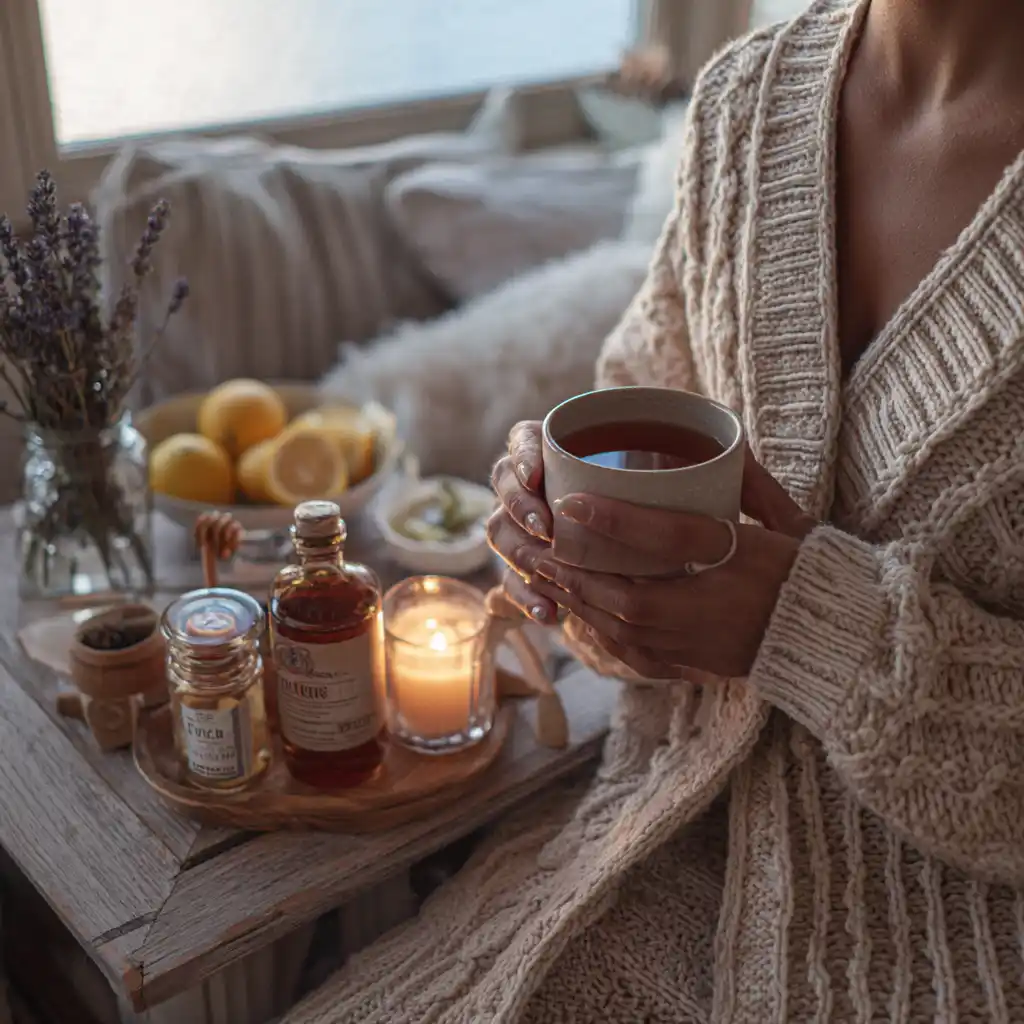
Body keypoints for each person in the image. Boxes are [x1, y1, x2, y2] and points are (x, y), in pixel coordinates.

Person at [288, 1, 1024, 1020]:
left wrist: (813, 629)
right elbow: (644, 402)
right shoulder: (742, 106)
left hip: (954, 942)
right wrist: (565, 541)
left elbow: (776, 611)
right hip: (643, 837)